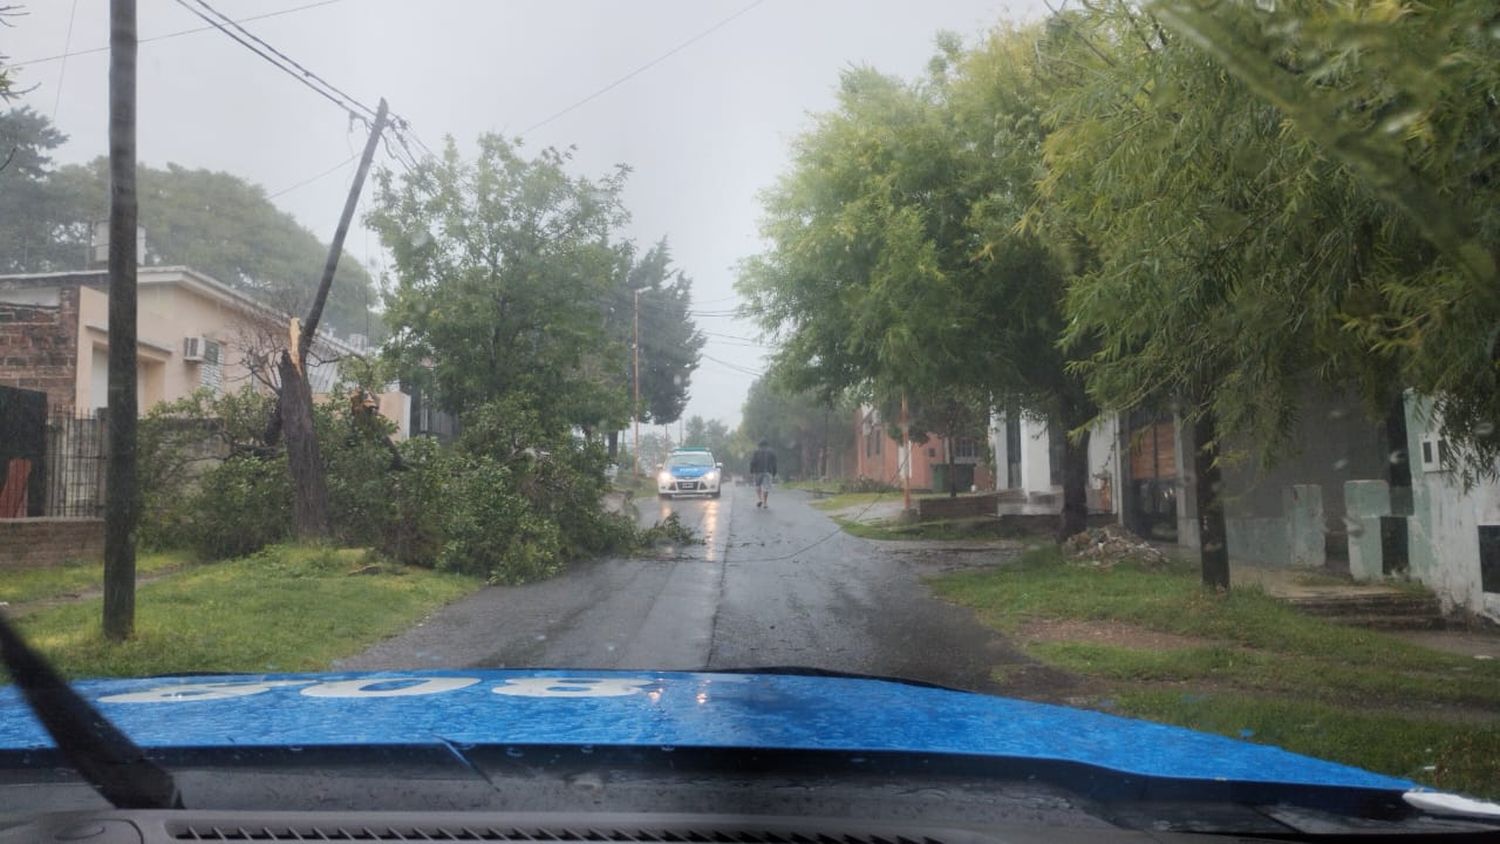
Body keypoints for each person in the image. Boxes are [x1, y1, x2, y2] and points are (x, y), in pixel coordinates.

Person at [749, 440, 777, 509]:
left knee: (758, 486)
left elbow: (752, 462)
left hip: (758, 472)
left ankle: (760, 499)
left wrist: (751, 470)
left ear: (759, 445)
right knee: (766, 487)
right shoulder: (771, 452)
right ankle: (765, 503)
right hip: (768, 471)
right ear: (767, 444)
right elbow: (774, 463)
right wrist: (774, 472)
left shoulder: (756, 452)